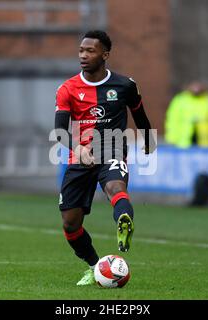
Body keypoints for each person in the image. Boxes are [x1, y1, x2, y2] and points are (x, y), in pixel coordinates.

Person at [54, 30, 156, 285]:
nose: (83, 55)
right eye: (81, 51)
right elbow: (59, 131)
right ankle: (95, 266)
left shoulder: (125, 85)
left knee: (115, 186)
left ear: (105, 54)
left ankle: (124, 221)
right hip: (81, 156)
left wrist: (148, 140)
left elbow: (139, 114)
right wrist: (77, 149)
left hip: (112, 146)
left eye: (90, 51)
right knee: (70, 223)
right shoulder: (67, 89)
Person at [165, 81, 208, 148]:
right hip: (183, 143)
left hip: (206, 143)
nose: (196, 87)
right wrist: (171, 139)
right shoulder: (180, 100)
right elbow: (172, 121)